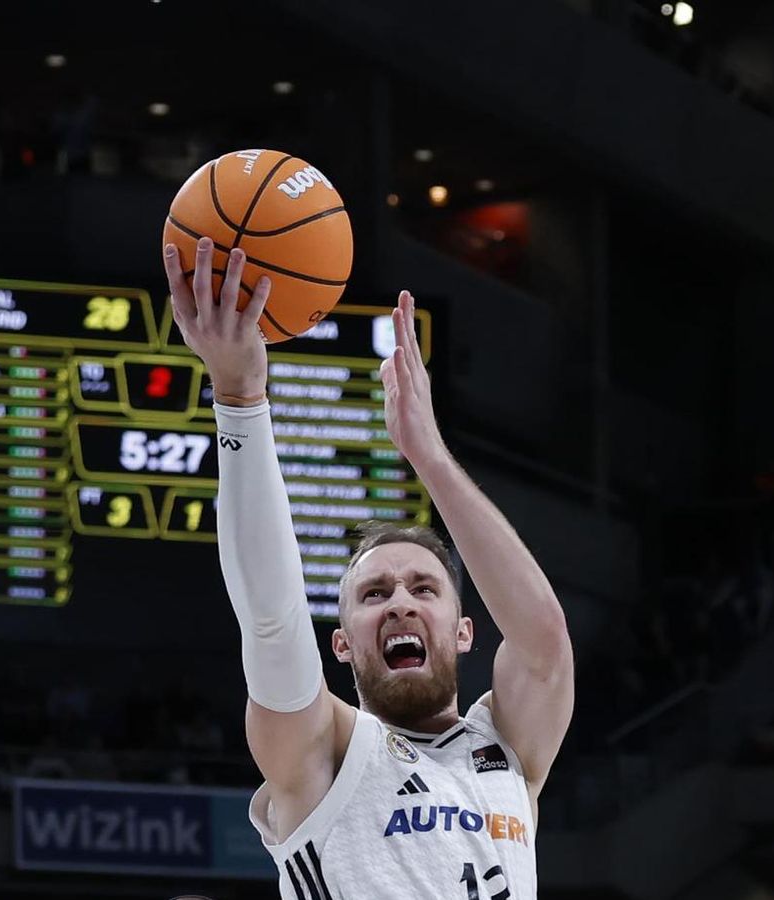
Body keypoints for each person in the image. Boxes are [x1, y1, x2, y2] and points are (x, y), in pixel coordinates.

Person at [162, 237, 574, 898]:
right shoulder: (321, 753)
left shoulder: (508, 750)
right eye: (375, 593)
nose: (400, 603)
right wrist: (240, 396)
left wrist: (432, 458)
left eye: (424, 588)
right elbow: (272, 619)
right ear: (343, 643)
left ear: (464, 630)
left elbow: (543, 643)